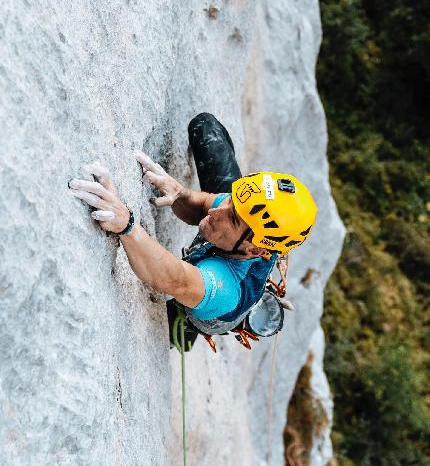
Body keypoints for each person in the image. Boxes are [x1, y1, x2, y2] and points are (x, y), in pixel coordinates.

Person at [69, 113, 317, 350]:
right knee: (205, 127)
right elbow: (204, 205)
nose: (218, 211)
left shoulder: (226, 288)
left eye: (231, 217)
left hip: (215, 305)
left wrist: (126, 224)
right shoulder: (243, 214)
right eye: (232, 200)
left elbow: (172, 279)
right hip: (236, 246)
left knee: (173, 326)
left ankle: (187, 331)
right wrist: (179, 193)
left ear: (253, 248)